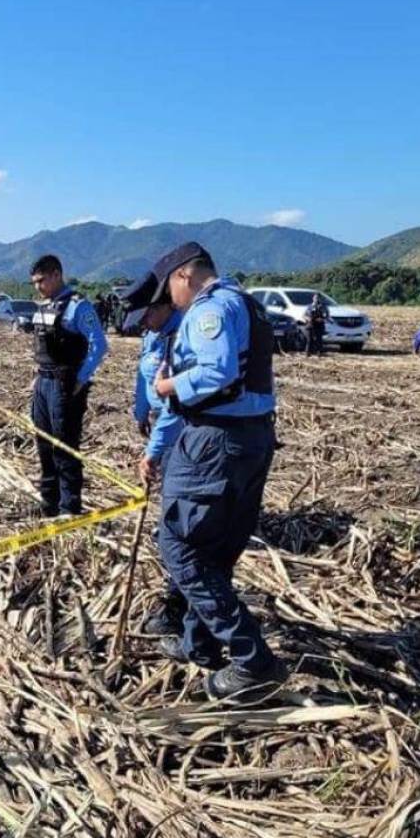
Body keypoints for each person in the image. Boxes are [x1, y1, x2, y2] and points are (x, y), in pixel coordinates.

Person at [149, 242, 288, 699]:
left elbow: (216, 371)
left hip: (215, 441)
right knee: (215, 546)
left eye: (170, 288)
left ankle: (253, 660)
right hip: (251, 437)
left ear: (183, 276)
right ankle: (200, 645)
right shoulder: (247, 303)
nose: (171, 301)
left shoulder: (213, 308)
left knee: (179, 546)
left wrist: (168, 384)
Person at [119, 271, 187, 637]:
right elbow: (142, 375)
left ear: (162, 305)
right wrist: (139, 410)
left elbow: (177, 410)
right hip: (159, 419)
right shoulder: (153, 331)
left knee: (176, 509)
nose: (142, 324)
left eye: (146, 315)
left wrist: (152, 451)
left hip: (179, 428)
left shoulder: (181, 335)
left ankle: (177, 604)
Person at [29, 255, 107, 517]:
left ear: (56, 275)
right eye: (35, 283)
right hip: (43, 383)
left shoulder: (78, 307)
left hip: (65, 387)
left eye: (41, 281)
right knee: (44, 446)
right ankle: (48, 505)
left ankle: (68, 509)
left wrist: (80, 379)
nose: (38, 287)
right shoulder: (47, 306)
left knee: (64, 447)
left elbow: (99, 345)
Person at [305, 293, 329, 357]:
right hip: (310, 324)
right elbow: (304, 315)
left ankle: (319, 353)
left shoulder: (323, 307)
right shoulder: (309, 306)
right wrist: (307, 318)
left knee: (319, 339)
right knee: (309, 339)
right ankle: (308, 353)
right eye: (315, 298)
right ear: (313, 298)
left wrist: (322, 319)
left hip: (319, 324)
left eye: (317, 298)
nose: (316, 299)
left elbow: (327, 316)